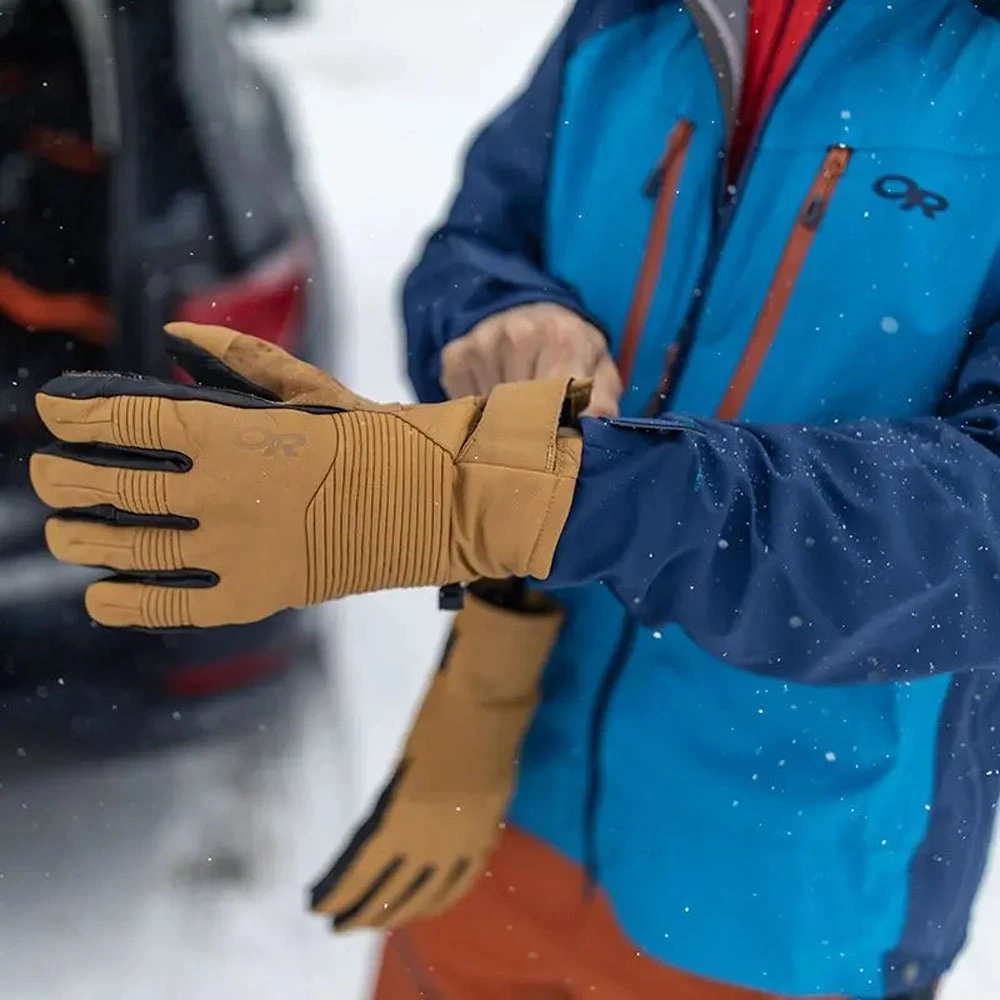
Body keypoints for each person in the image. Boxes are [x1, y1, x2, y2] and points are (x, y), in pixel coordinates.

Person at [27, 1, 1000, 997]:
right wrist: (500, 317)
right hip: (499, 790)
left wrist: (536, 496)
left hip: (796, 900)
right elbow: (472, 246)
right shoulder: (627, 22)